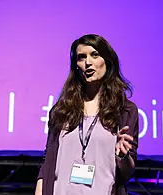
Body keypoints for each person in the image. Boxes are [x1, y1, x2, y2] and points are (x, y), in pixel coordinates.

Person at [35, 34, 139, 195]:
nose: (88, 63)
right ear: (76, 66)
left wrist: (123, 156)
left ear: (107, 61)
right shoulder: (61, 110)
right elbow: (48, 161)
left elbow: (127, 173)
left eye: (94, 55)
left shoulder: (125, 110)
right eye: (81, 58)